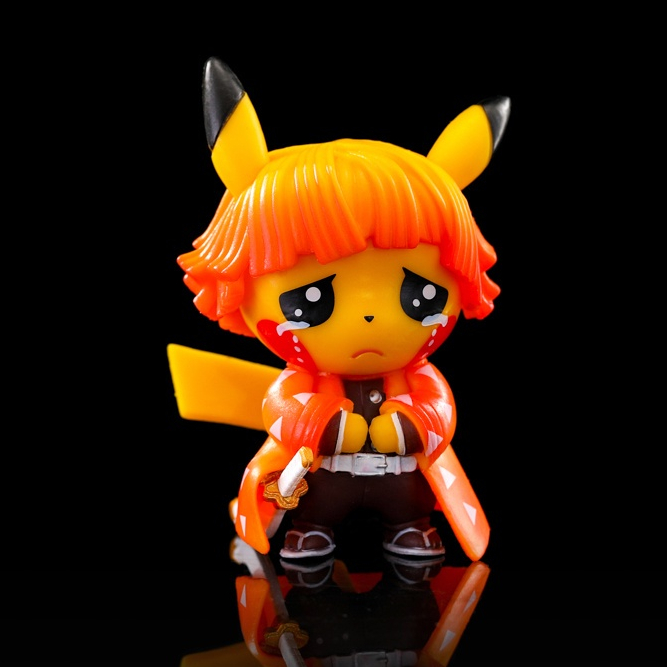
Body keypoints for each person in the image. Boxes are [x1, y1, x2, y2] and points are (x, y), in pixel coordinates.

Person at [175, 57, 510, 560]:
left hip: (403, 481)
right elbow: (281, 408)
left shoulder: (419, 377)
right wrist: (322, 425)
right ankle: (311, 530)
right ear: (239, 294)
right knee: (314, 510)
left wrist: (414, 423)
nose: (369, 317)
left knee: (410, 508)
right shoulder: (300, 380)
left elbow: (441, 410)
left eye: (418, 297)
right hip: (322, 482)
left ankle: (411, 528)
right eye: (314, 299)